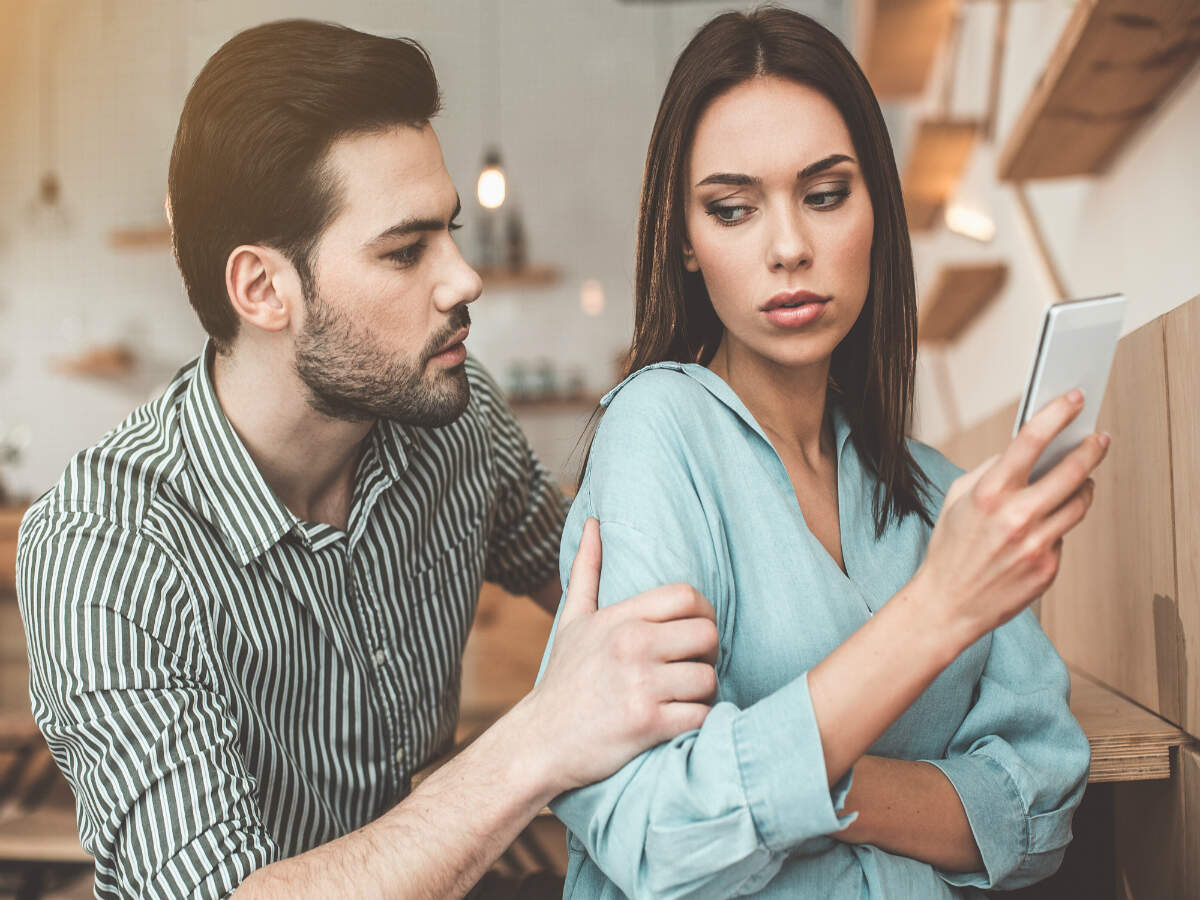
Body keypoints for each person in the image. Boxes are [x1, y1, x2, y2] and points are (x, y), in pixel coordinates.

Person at [15, 20, 721, 900]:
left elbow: (617, 585)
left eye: (451, 232)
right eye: (404, 249)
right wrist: (539, 737)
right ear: (263, 289)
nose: (465, 279)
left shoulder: (457, 429)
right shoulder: (103, 550)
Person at [541, 7, 1106, 898]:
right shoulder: (657, 431)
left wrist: (808, 781)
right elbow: (657, 836)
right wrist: (937, 612)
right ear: (685, 242)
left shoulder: (941, 494)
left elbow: (1034, 809)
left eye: (826, 193)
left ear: (877, 205)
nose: (790, 248)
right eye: (732, 209)